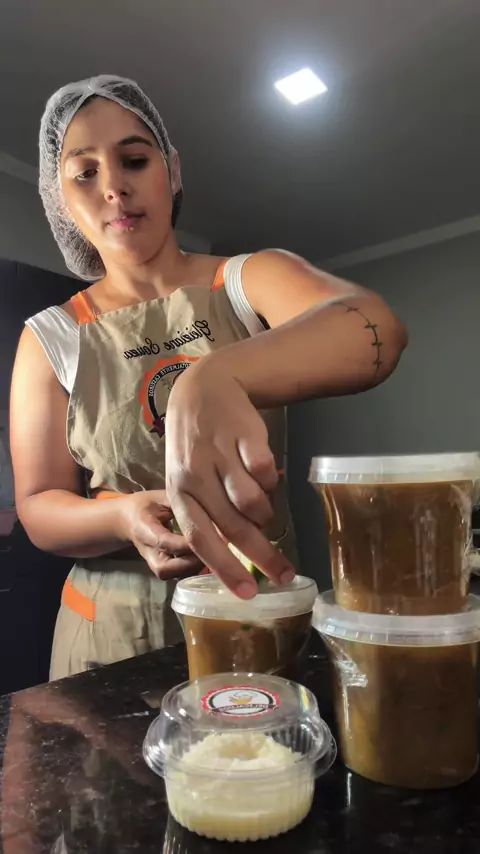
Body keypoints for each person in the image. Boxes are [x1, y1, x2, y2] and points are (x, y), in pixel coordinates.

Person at [10, 75, 407, 679]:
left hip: (254, 613)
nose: (114, 187)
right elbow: (39, 505)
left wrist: (215, 376)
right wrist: (121, 517)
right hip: (113, 641)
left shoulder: (247, 281)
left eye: (134, 160)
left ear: (171, 171)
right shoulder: (52, 337)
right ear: (60, 200)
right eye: (84, 173)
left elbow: (376, 329)